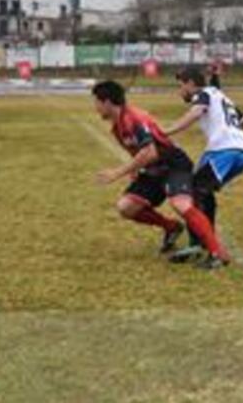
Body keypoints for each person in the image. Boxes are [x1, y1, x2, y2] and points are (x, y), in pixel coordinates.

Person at [91, 80, 232, 270]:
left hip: (174, 165)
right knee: (126, 207)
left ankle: (217, 253)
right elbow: (139, 151)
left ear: (107, 102)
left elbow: (151, 152)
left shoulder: (133, 118)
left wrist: (118, 172)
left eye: (96, 102)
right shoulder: (117, 127)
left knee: (180, 204)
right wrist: (133, 170)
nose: (95, 107)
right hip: (153, 170)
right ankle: (171, 227)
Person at [164, 67, 243, 263]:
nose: (180, 91)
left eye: (180, 86)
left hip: (223, 151)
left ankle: (205, 246)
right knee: (202, 190)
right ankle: (202, 242)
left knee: (194, 192)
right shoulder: (223, 98)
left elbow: (197, 112)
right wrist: (242, 142)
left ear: (190, 84)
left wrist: (168, 131)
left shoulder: (203, 94)